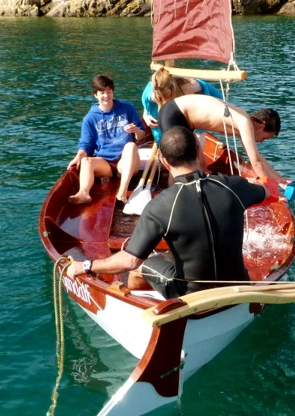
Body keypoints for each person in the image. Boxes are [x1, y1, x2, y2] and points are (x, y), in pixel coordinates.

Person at [64, 126, 278, 297]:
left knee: (141, 266)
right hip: (237, 286)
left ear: (165, 162)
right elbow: (269, 191)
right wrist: (253, 182)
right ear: (198, 151)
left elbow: (130, 261)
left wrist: (87, 265)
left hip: (191, 294)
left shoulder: (160, 206)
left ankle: (140, 303)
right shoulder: (233, 186)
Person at [157, 94, 287, 184]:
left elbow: (257, 157)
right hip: (174, 113)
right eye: (265, 137)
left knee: (202, 164)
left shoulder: (244, 121)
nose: (262, 141)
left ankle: (202, 188)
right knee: (182, 164)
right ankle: (173, 191)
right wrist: (269, 187)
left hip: (182, 117)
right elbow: (256, 162)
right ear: (261, 126)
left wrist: (280, 179)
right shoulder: (244, 122)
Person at [67, 74, 146, 205]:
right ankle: (83, 193)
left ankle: (122, 192)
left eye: (109, 92)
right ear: (95, 95)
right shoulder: (90, 118)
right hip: (105, 163)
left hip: (126, 162)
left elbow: (142, 136)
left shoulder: (127, 109)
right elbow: (86, 144)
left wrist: (136, 131)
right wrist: (78, 157)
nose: (106, 96)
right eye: (102, 92)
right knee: (86, 161)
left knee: (131, 146)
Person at [140, 68, 223, 142]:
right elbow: (147, 101)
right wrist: (146, 114)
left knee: (198, 136)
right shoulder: (150, 95)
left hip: (189, 127)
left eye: (168, 96)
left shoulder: (190, 88)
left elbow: (221, 101)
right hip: (162, 137)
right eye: (162, 98)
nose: (166, 101)